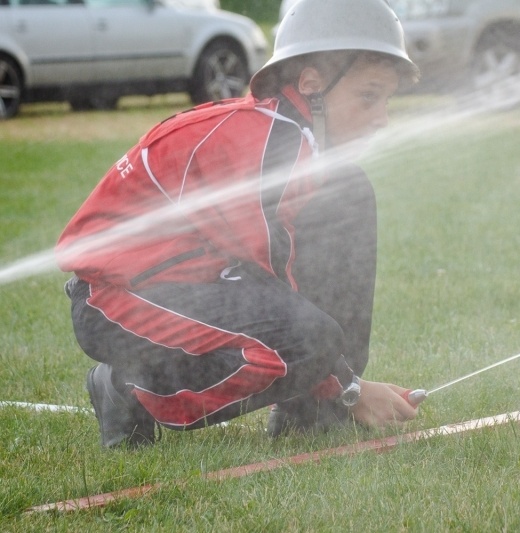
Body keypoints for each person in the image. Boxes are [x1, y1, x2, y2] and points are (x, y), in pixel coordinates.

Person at [55, 0, 421, 448]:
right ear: (312, 85)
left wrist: (339, 383)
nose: (381, 117)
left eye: (386, 99)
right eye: (368, 96)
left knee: (348, 190)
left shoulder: (293, 142)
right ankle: (126, 389)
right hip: (113, 303)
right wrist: (349, 387)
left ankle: (312, 414)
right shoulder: (267, 146)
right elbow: (269, 280)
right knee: (311, 340)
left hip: (191, 287)